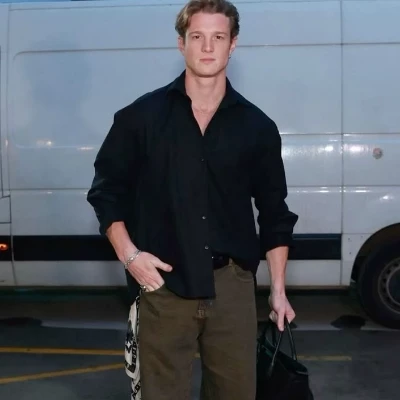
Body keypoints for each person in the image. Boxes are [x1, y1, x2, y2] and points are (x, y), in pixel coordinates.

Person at [87, 0, 299, 399]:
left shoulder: (257, 126)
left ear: (233, 45)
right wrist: (131, 256)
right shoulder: (140, 118)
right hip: (163, 285)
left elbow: (275, 213)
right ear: (181, 43)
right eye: (197, 36)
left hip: (232, 288)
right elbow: (106, 192)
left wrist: (278, 289)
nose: (207, 46)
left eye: (218, 37)